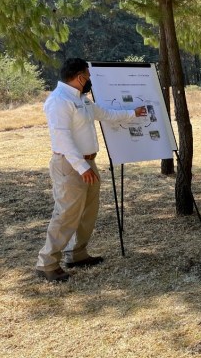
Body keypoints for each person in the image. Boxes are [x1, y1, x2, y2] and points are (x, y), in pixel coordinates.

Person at [36, 58, 147, 282]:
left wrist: (133, 113)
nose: (90, 80)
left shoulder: (82, 100)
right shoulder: (59, 100)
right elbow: (62, 138)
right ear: (79, 77)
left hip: (88, 164)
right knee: (66, 214)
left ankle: (77, 254)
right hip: (70, 165)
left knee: (88, 212)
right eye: (88, 76)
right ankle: (46, 263)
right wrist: (81, 166)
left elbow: (106, 113)